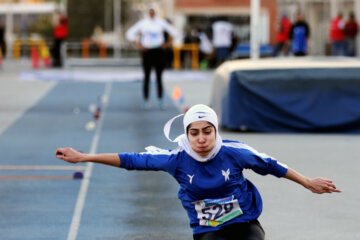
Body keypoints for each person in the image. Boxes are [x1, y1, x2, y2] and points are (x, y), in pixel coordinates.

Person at [55, 104, 341, 240]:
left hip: (244, 225)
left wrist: (307, 182)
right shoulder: (176, 159)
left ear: (215, 132)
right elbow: (131, 160)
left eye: (207, 132)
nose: (202, 138)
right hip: (207, 230)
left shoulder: (236, 152)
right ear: (187, 135)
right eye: (195, 133)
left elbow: (273, 165)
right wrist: (84, 157)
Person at [126, 5, 177, 110]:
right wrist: (139, 45)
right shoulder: (143, 23)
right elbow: (129, 34)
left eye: (153, 12)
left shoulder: (161, 22)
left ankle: (160, 100)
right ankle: (146, 100)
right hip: (147, 52)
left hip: (158, 52)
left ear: (156, 12)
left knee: (159, 77)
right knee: (147, 77)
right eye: (150, 12)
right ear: (148, 12)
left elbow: (174, 32)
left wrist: (167, 44)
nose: (152, 14)